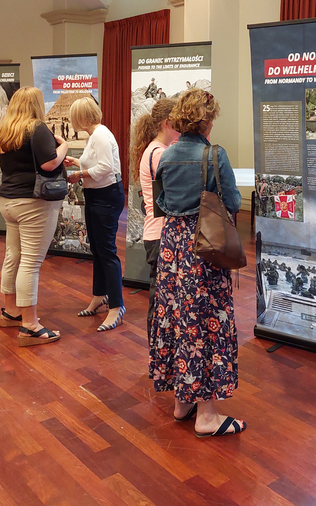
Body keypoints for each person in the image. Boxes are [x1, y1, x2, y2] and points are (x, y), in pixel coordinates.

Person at [149, 88, 246, 437]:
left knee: (178, 319)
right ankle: (206, 415)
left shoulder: (166, 155)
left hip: (171, 248)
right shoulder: (214, 155)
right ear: (206, 120)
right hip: (203, 247)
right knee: (204, 323)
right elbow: (233, 202)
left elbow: (161, 202)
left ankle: (182, 402)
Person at [0, 87, 68, 346]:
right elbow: (49, 164)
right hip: (33, 204)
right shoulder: (37, 128)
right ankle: (30, 326)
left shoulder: (4, 129)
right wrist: (63, 147)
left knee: (13, 257)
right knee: (30, 263)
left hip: (8, 202)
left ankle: (11, 312)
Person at [63, 96, 126, 332]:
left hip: (105, 197)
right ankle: (100, 295)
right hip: (97, 196)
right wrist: (77, 162)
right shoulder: (95, 135)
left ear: (81, 117)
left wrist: (79, 174)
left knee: (106, 251)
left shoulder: (99, 135)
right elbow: (97, 163)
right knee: (97, 250)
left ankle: (116, 306)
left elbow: (105, 168)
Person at [129, 97, 179, 339]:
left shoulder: (156, 150)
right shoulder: (159, 153)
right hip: (160, 233)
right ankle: (158, 351)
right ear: (167, 123)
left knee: (161, 298)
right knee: (160, 301)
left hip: (157, 231)